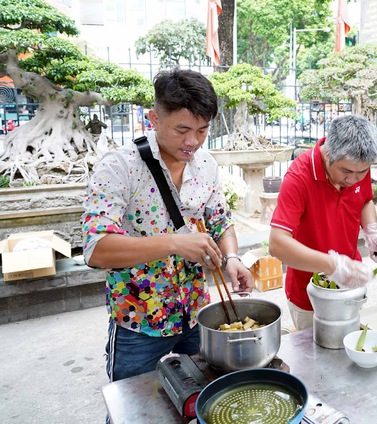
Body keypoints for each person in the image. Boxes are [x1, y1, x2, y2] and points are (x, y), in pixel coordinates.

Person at [82, 68, 253, 383]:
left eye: (202, 130)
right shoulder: (119, 167)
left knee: (200, 400)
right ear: (154, 119)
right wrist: (174, 242)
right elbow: (96, 249)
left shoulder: (206, 165)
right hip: (139, 322)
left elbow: (220, 222)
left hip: (198, 315)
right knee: (133, 410)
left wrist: (232, 258)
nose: (193, 142)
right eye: (182, 129)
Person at [269, 114, 377, 331]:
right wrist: (333, 265)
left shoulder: (358, 162)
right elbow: (277, 244)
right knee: (316, 360)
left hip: (351, 285)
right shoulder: (299, 176)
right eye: (346, 172)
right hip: (310, 293)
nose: (354, 179)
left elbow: (365, 200)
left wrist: (372, 231)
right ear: (329, 155)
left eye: (361, 172)